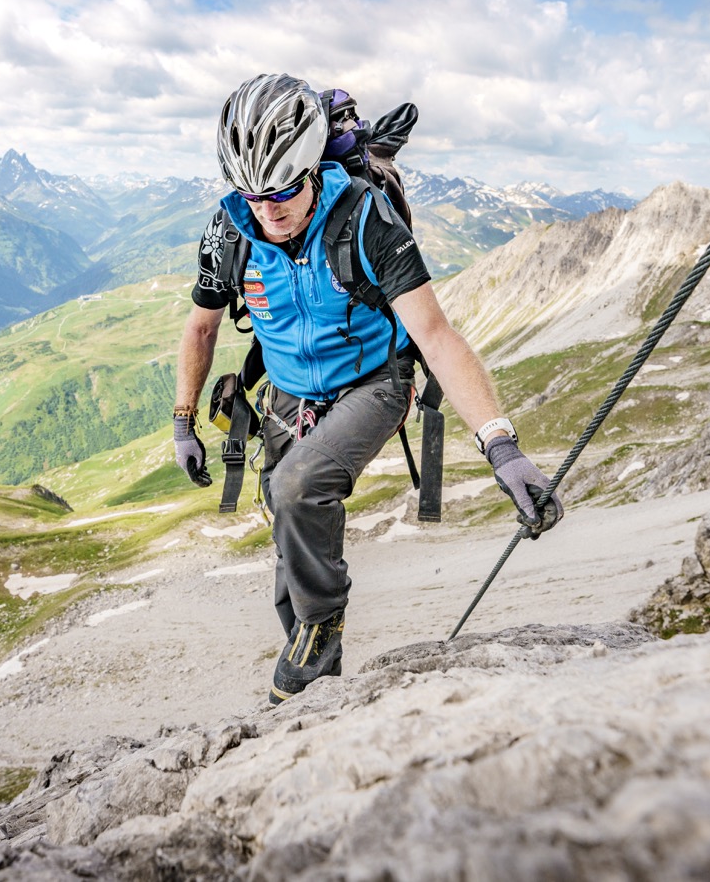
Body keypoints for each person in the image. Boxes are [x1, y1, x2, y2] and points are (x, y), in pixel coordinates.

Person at [173, 73, 561, 705]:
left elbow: (434, 334)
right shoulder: (231, 226)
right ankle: (315, 688)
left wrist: (503, 448)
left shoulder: (364, 218)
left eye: (281, 192)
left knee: (296, 488)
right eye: (251, 194)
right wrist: (183, 419)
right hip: (286, 398)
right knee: (287, 528)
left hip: (374, 384)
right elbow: (203, 324)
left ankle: (319, 635)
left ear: (309, 172)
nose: (266, 210)